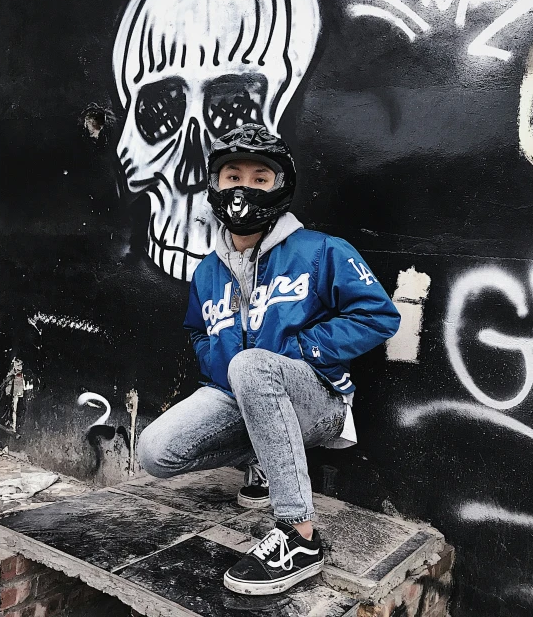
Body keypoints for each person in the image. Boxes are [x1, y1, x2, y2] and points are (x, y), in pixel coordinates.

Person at [137, 123, 400, 595]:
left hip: (316, 403)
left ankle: (299, 537)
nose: (243, 188)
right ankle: (263, 459)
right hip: (239, 393)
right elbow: (198, 330)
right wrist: (219, 364)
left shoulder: (321, 251)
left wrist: (302, 350)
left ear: (281, 187)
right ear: (215, 185)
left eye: (260, 178)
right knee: (155, 452)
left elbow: (378, 316)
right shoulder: (207, 271)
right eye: (232, 176)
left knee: (252, 364)